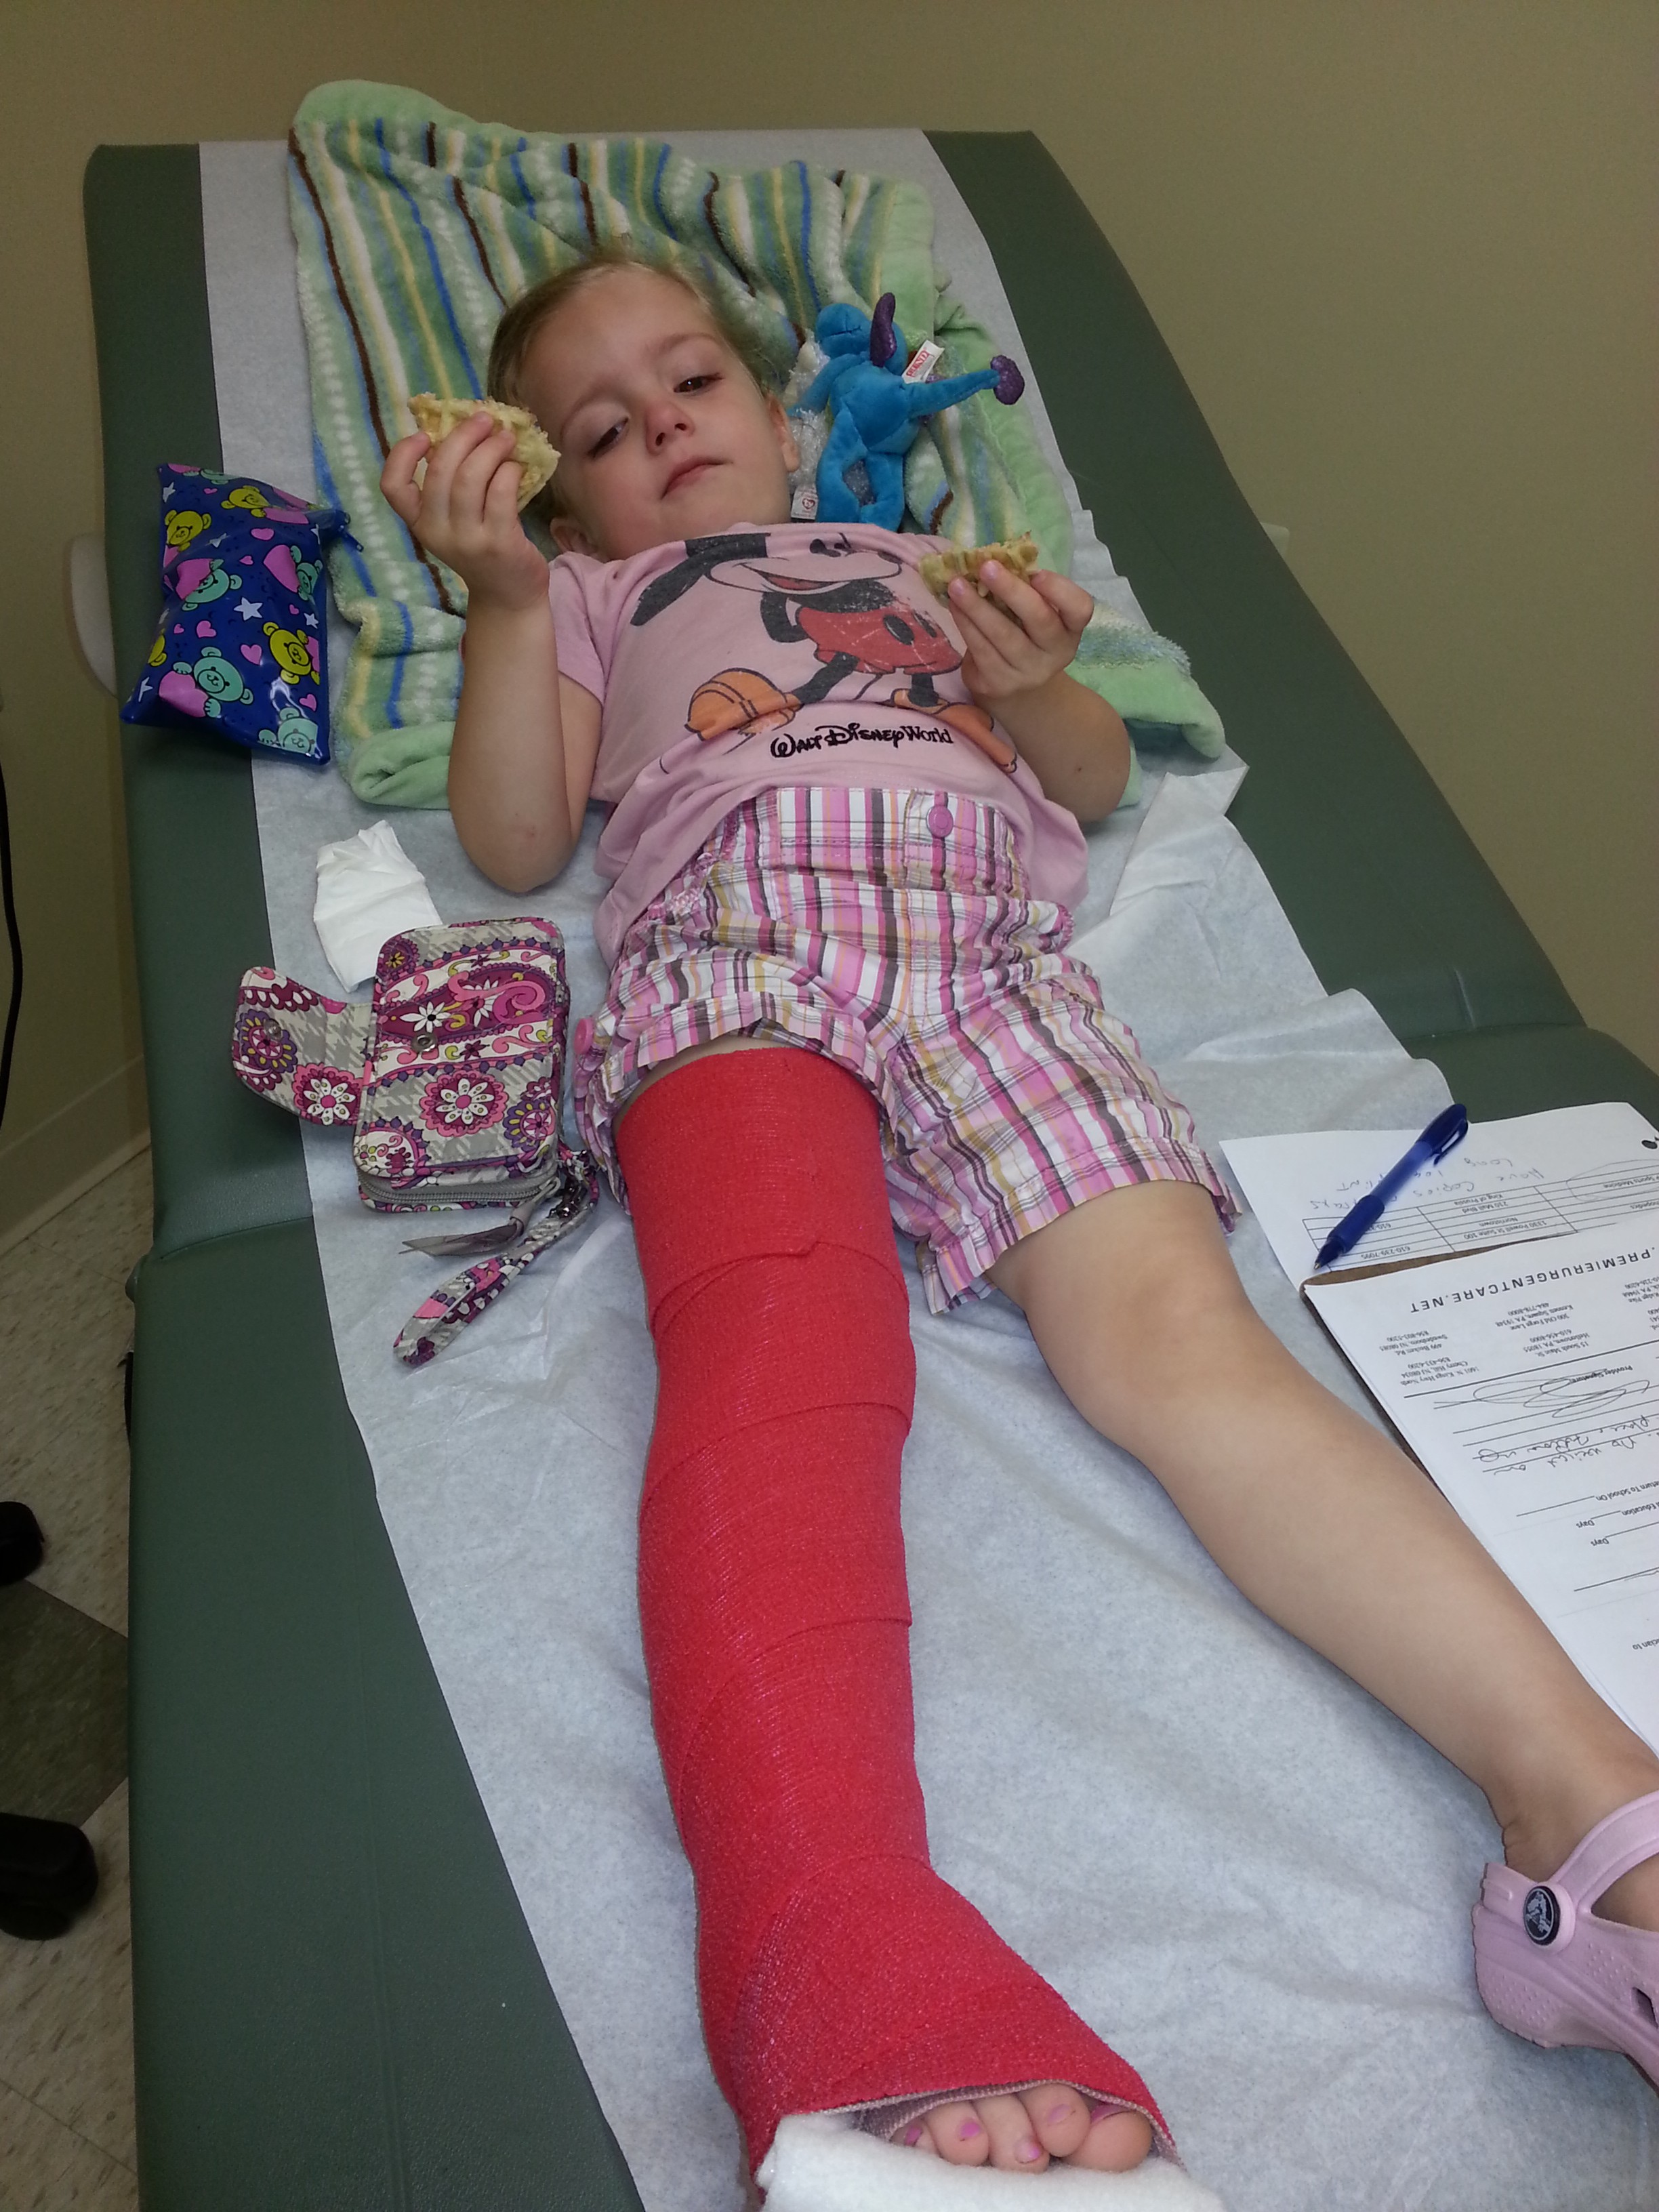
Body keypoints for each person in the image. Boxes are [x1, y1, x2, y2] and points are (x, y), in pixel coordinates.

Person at [381, 250, 1659, 2191]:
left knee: (1192, 1357)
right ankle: (842, 1959)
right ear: (566, 505)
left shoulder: (918, 566)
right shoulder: (587, 598)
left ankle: (1595, 1831)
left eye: (693, 379)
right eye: (603, 430)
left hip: (995, 968)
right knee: (780, 1368)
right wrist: (496, 599)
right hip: (737, 955)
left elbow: (1090, 780)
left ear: (786, 414)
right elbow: (513, 839)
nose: (663, 428)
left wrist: (1032, 680)